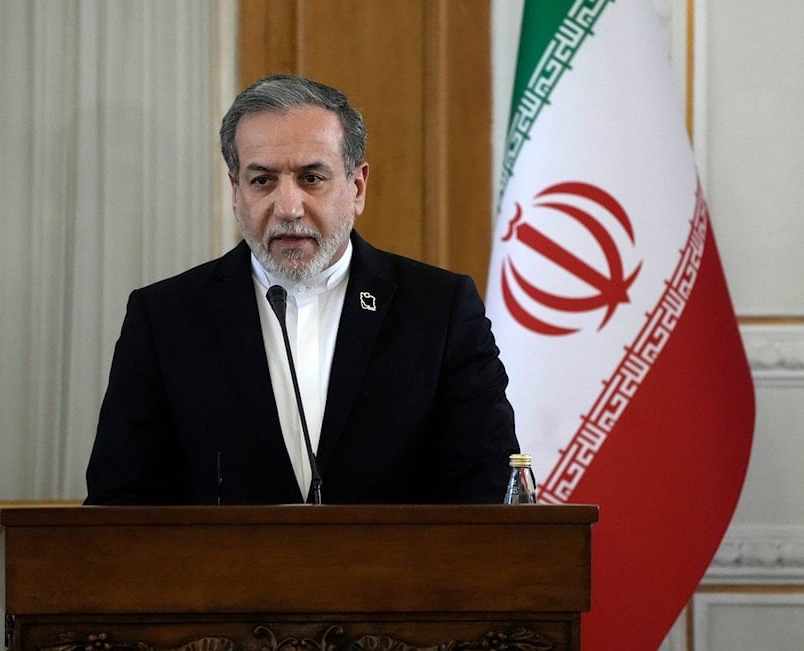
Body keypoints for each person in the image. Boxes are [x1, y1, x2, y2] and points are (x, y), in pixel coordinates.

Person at [84, 74, 519, 505]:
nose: (288, 208)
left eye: (311, 178)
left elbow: (488, 489)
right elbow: (120, 501)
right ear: (236, 192)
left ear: (357, 187)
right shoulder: (166, 318)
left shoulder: (439, 310)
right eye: (262, 181)